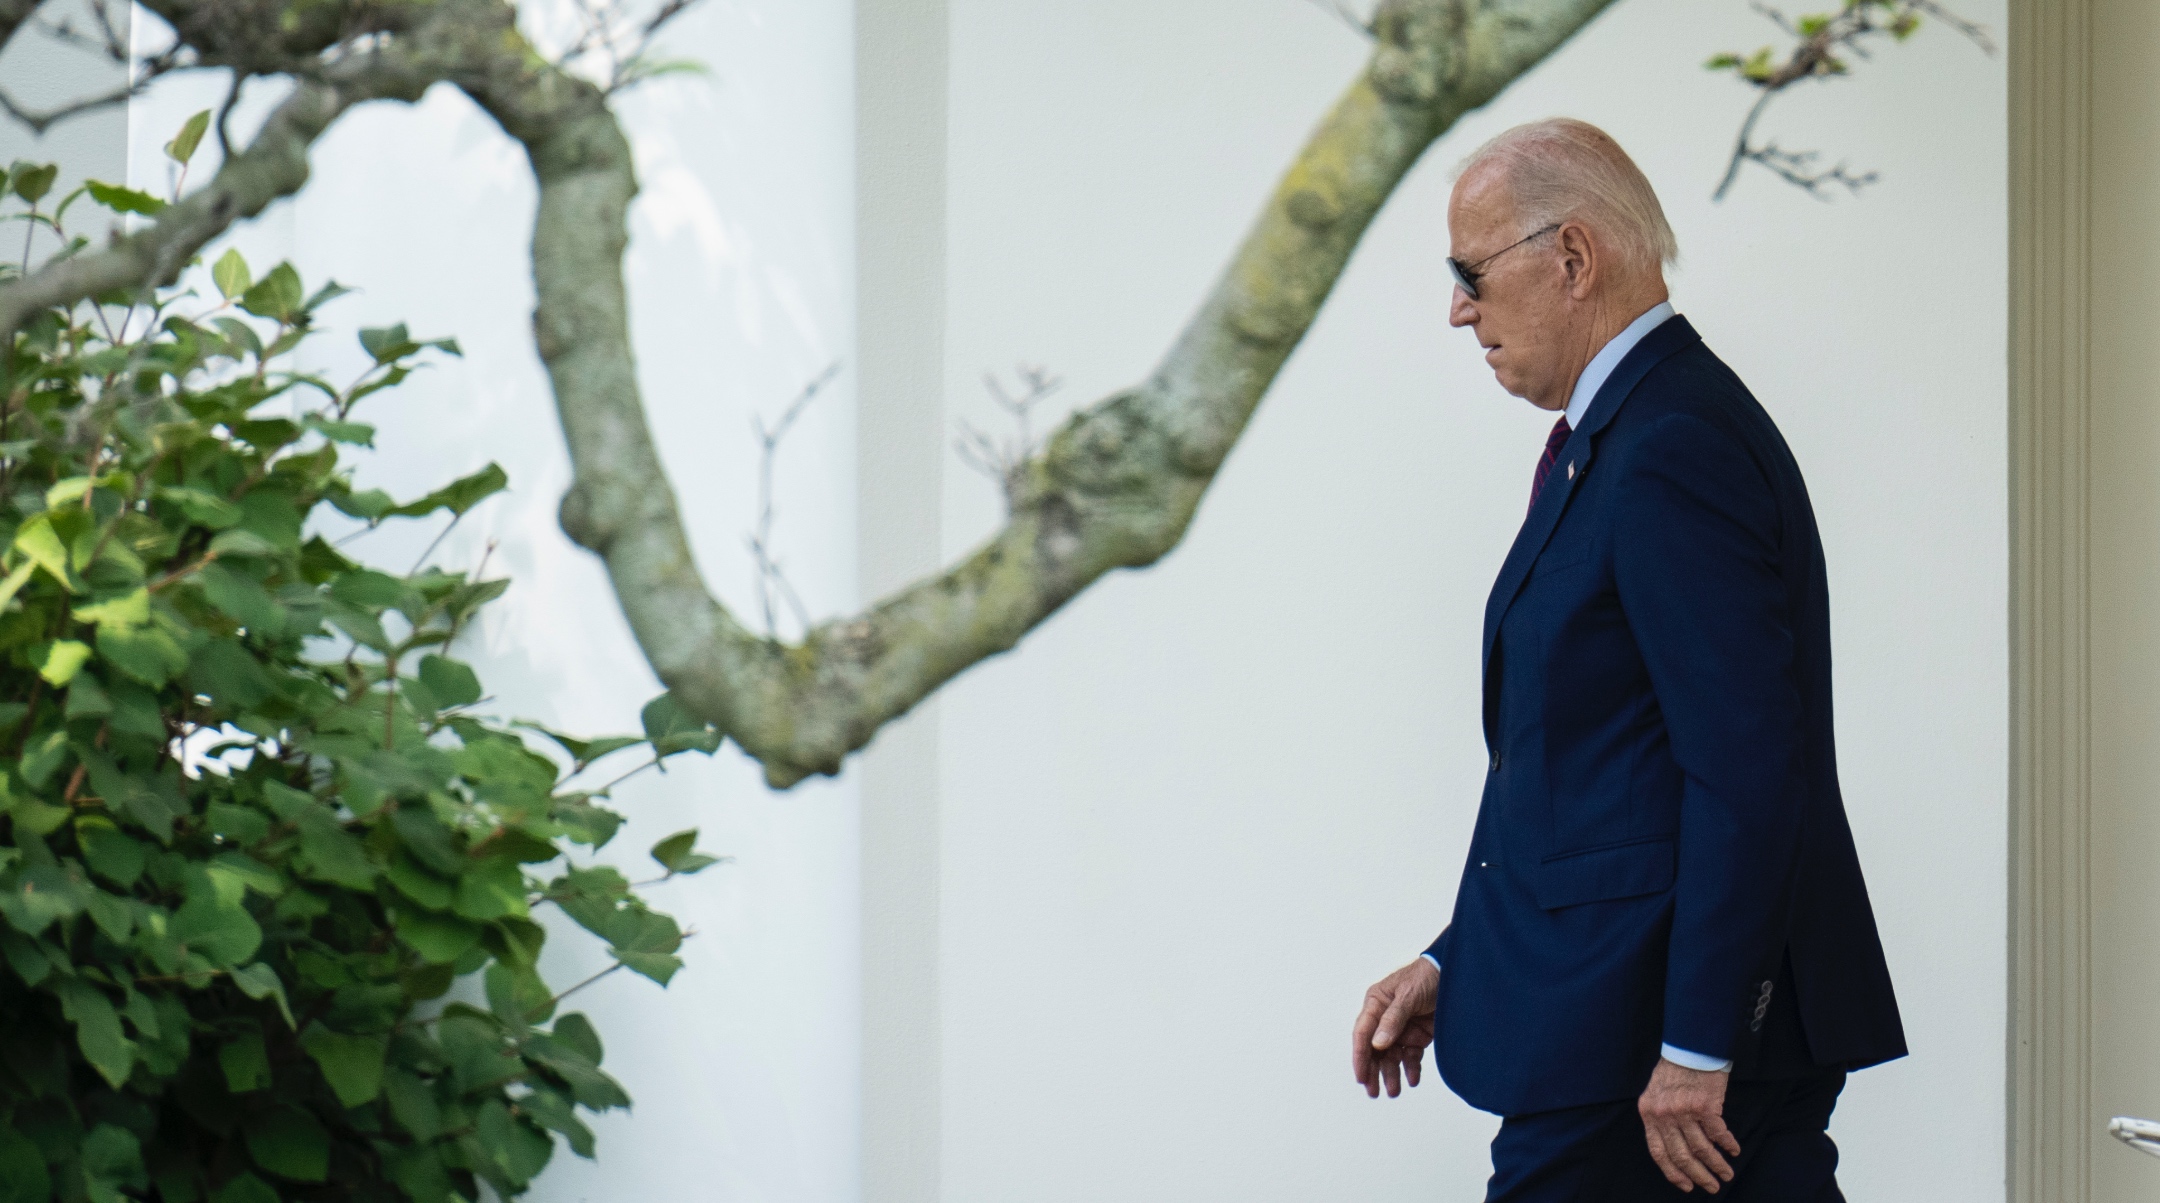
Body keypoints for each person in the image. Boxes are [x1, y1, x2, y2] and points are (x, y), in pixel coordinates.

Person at [1348, 118, 1906, 1201]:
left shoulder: (1670, 446)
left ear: (1571, 258)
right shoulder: (1634, 438)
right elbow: (1608, 782)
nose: (1457, 308)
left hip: (1640, 1059)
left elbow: (1746, 767)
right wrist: (1458, 960)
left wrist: (1699, 1049)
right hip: (1636, 1038)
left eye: (1469, 272)